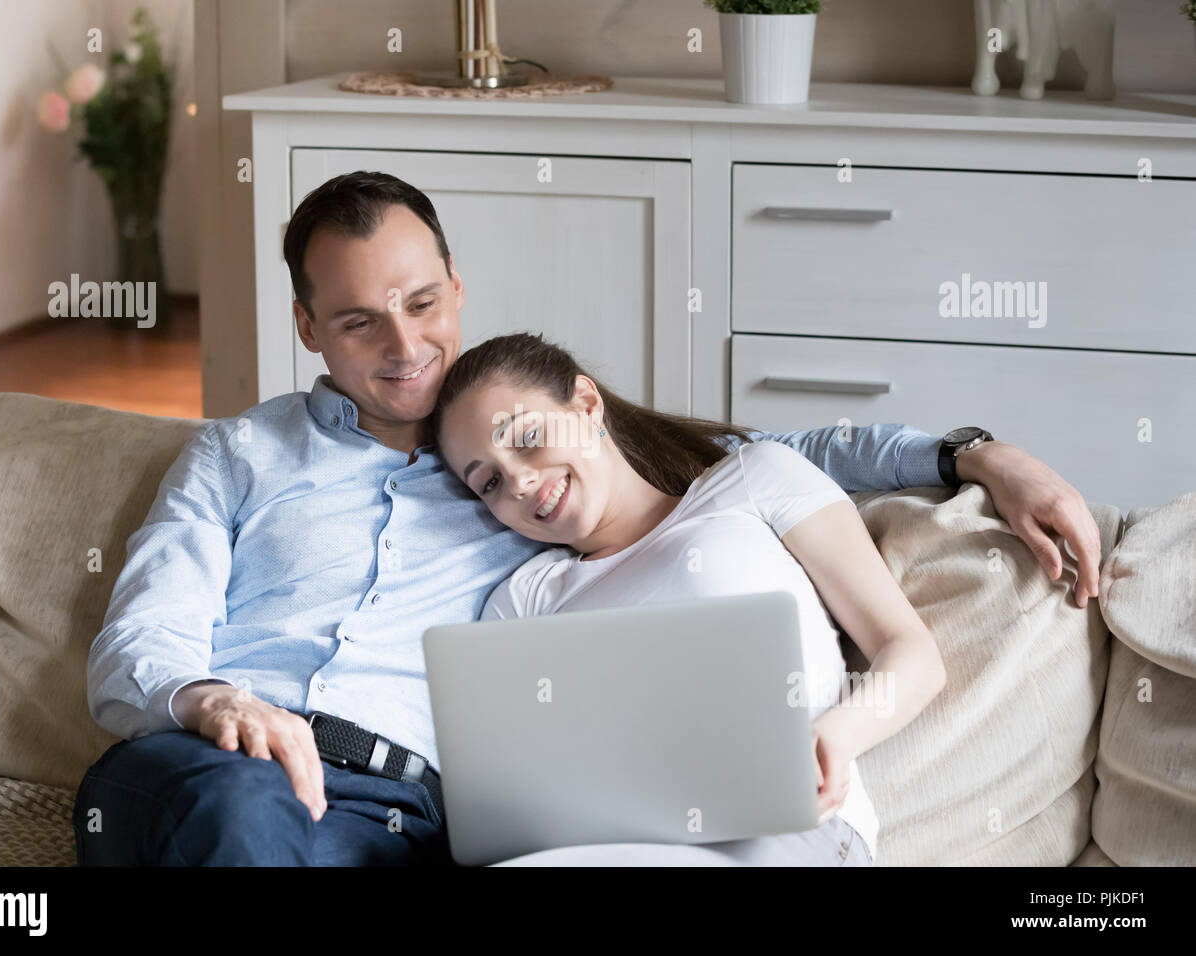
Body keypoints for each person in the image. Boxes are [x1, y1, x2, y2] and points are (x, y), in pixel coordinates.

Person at [74, 170, 1102, 866]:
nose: (403, 345)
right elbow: (139, 635)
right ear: (307, 326)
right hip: (217, 771)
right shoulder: (236, 453)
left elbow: (772, 460)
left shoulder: (524, 474)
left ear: (456, 289)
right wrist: (210, 699)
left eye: (422, 303)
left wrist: (974, 453)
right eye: (356, 320)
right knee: (245, 806)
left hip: (401, 817)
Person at [432, 332, 953, 865]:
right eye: (489, 482)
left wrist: (835, 738)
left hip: (785, 828)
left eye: (527, 438)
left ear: (586, 405)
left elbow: (910, 651)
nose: (517, 482)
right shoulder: (521, 602)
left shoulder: (754, 480)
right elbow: (511, 788)